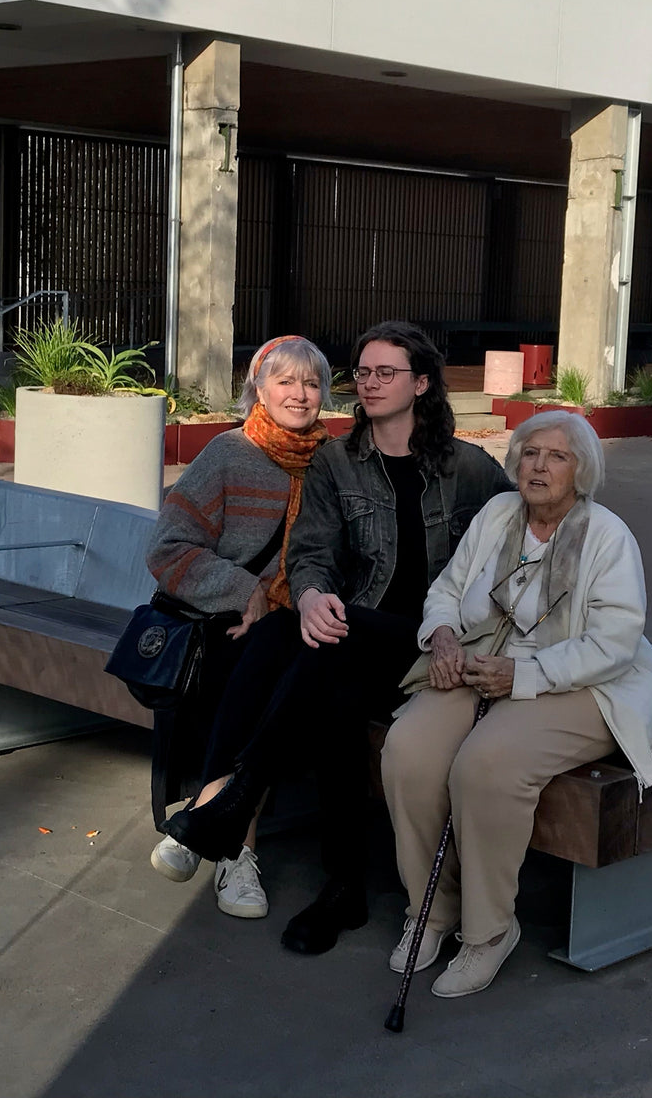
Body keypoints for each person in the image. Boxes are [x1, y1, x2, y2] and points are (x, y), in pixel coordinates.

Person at [163, 321, 513, 955]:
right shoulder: (337, 459)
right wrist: (313, 594)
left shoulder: (469, 468)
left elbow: (528, 537)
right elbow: (313, 551)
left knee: (321, 647)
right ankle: (342, 885)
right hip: (362, 633)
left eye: (387, 372)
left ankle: (228, 804)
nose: (370, 382)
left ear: (423, 383)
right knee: (303, 662)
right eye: (364, 372)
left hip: (433, 640)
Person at [381, 410, 652, 998]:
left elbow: (614, 642)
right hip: (481, 661)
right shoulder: (497, 514)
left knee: (487, 765)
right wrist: (440, 634)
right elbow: (445, 588)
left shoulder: (608, 536)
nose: (538, 466)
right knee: (407, 751)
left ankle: (489, 931)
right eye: (530, 453)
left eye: (556, 456)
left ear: (582, 470)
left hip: (581, 683)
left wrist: (524, 674)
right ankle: (429, 911)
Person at [143, 335, 333, 921]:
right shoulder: (228, 454)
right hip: (219, 620)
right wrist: (246, 589)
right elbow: (167, 549)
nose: (299, 395)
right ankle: (237, 852)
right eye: (286, 382)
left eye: (311, 384)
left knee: (284, 662)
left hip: (297, 618)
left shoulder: (333, 461)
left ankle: (202, 822)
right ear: (259, 389)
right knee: (251, 670)